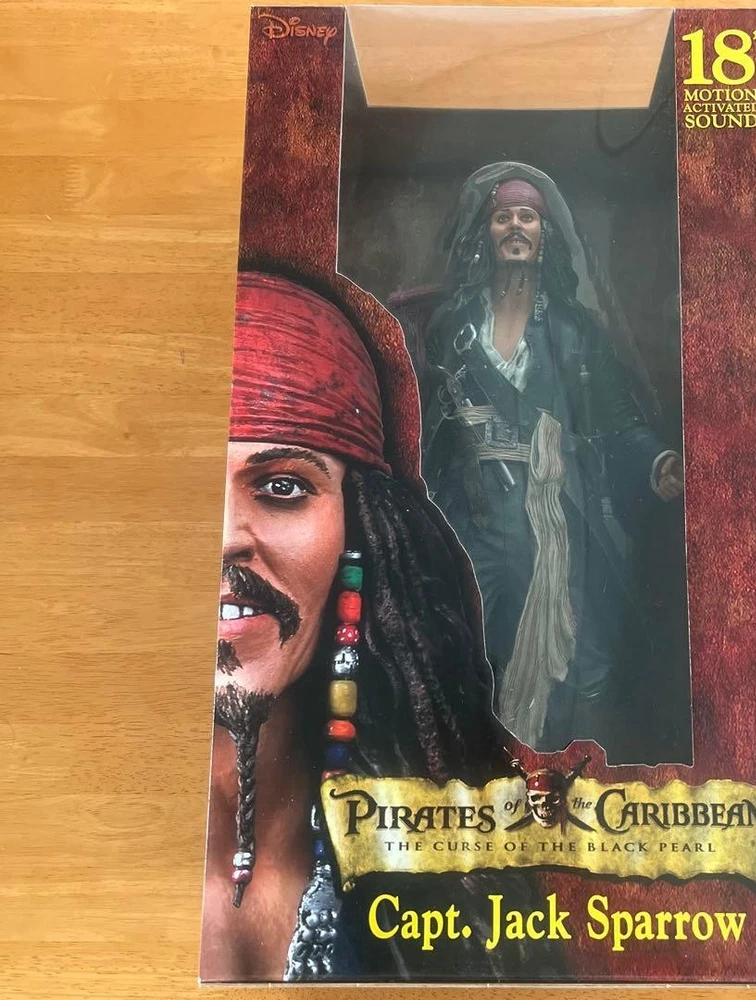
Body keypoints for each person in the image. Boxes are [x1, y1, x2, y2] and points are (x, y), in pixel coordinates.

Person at [200, 270, 560, 983]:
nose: (226, 537)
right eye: (191, 487)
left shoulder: (447, 884)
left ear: (359, 532)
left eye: (281, 487)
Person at [391, 162, 683, 756]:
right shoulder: (450, 325)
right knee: (456, 643)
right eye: (503, 217)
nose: (516, 227)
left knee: (576, 654)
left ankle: (566, 774)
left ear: (544, 234)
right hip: (468, 515)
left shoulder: (576, 333)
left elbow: (617, 420)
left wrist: (655, 463)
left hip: (552, 516)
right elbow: (420, 418)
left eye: (527, 216)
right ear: (488, 232)